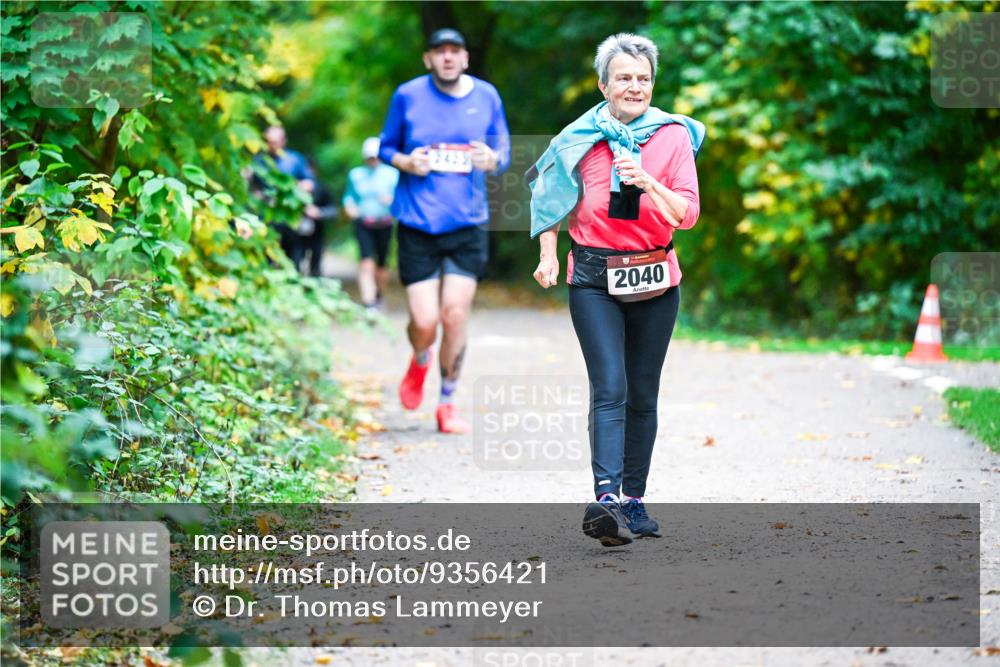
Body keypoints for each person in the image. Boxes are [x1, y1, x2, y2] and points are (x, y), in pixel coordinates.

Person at [527, 33, 705, 546]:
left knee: (642, 394)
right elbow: (549, 201)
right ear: (603, 85)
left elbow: (687, 214)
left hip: (655, 276)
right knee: (610, 387)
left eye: (643, 79)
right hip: (593, 279)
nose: (635, 87)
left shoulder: (673, 136)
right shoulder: (576, 138)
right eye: (624, 78)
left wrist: (648, 181)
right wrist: (547, 256)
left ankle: (633, 500)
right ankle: (605, 501)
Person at [378, 28, 510, 433]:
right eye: (440, 52)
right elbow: (385, 147)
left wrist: (491, 160)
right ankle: (420, 358)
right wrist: (406, 162)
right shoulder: (407, 95)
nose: (448, 57)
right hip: (417, 222)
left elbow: (502, 153)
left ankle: (447, 401)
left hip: (468, 222)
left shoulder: (486, 96)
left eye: (455, 51)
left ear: (465, 58)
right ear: (428, 59)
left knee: (454, 314)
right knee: (425, 322)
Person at [343, 137, 399, 310]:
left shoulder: (392, 174)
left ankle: (379, 295)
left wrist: (392, 201)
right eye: (369, 157)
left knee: (382, 265)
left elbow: (401, 200)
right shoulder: (356, 174)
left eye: (375, 157)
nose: (372, 161)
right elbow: (349, 196)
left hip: (384, 223)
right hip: (363, 222)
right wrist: (350, 208)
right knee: (366, 262)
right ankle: (368, 302)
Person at [252, 126, 316, 270]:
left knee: (294, 257)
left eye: (276, 141)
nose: (273, 145)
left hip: (291, 216)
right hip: (267, 216)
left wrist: (298, 187)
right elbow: (252, 188)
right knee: (266, 256)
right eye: (270, 141)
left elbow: (311, 182)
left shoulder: (295, 159)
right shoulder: (259, 161)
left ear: (283, 141)